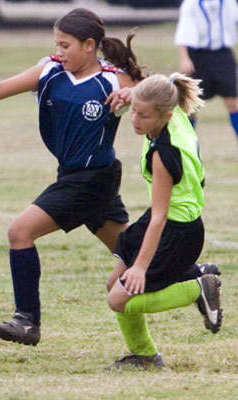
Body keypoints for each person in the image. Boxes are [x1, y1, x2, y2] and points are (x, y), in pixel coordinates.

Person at [0, 8, 147, 345]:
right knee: (133, 254)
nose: (59, 51)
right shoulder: (50, 71)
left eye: (65, 45)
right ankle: (197, 279)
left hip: (92, 178)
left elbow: (164, 96)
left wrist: (134, 94)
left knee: (20, 231)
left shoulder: (112, 79)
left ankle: (26, 320)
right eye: (57, 44)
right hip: (77, 175)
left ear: (89, 45)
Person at [106, 73, 222, 369]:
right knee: (113, 285)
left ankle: (199, 286)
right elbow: (164, 83)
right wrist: (133, 93)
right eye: (134, 111)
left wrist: (140, 267)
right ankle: (145, 355)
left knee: (118, 300)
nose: (135, 119)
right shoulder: (173, 107)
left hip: (176, 231)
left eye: (143, 115)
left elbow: (159, 218)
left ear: (165, 115)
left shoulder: (163, 155)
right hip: (167, 220)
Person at [175, 0, 238, 142]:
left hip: (223, 54)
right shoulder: (191, 4)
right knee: (191, 105)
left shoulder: (227, 2)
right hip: (198, 56)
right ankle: (186, 143)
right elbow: (183, 31)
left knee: (232, 100)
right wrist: (184, 58)